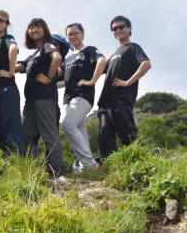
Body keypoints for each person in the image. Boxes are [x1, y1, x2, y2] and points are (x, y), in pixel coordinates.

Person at [97, 16, 151, 160]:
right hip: (105, 103)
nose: (117, 30)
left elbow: (146, 64)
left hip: (121, 99)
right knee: (104, 138)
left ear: (129, 28)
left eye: (121, 27)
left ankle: (140, 163)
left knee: (128, 136)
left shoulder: (133, 48)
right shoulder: (114, 54)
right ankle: (110, 167)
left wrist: (127, 82)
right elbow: (99, 70)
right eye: (114, 29)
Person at [16, 18, 64, 179]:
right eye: (31, 28)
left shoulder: (48, 46)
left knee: (50, 136)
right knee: (24, 136)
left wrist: (49, 77)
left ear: (45, 30)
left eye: (37, 27)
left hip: (45, 98)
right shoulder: (32, 56)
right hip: (30, 101)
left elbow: (57, 58)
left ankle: (55, 173)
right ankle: (39, 167)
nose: (34, 30)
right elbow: (18, 67)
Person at [58, 23, 106, 171]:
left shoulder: (89, 50)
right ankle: (85, 167)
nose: (72, 36)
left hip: (83, 95)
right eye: (69, 34)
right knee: (79, 130)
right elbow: (60, 77)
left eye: (75, 33)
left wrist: (92, 81)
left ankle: (89, 163)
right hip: (67, 99)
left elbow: (102, 61)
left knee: (68, 125)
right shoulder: (67, 58)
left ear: (82, 34)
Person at [0, 10, 26, 155]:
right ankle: (7, 158)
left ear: (6, 24)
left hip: (6, 89)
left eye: (0, 21)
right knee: (1, 126)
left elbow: (13, 49)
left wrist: (11, 72)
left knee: (12, 125)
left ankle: (18, 159)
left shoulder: (7, 38)